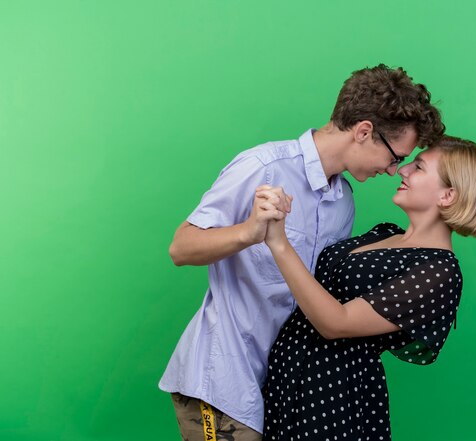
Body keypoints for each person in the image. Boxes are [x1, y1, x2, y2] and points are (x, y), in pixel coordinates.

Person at [159, 64, 445, 441]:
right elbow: (181, 247)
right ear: (364, 132)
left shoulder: (344, 203)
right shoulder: (263, 167)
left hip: (286, 389)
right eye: (395, 158)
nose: (394, 171)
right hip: (224, 380)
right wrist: (248, 232)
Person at [258, 135, 476, 441]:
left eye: (419, 167)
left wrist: (278, 242)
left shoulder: (439, 273)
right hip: (288, 382)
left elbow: (337, 322)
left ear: (448, 195)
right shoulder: (384, 233)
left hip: (331, 400)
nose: (403, 170)